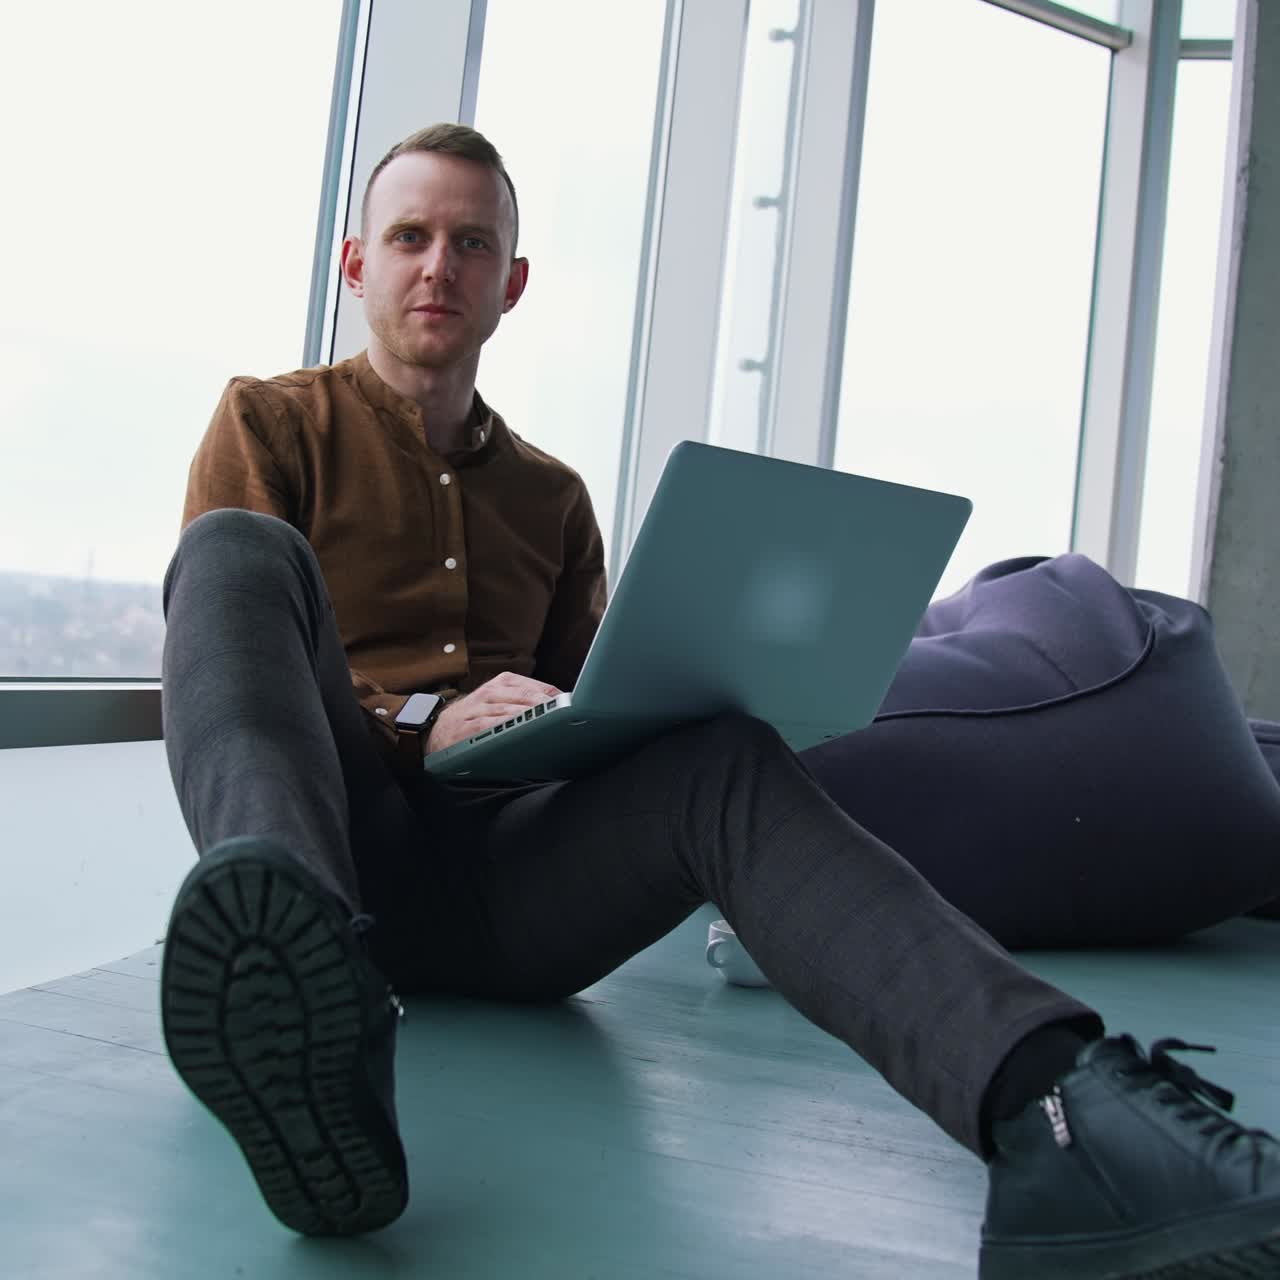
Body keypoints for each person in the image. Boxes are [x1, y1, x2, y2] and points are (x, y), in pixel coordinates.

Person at [158, 123, 1280, 1278]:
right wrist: (413, 719)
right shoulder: (270, 421)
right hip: (327, 847)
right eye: (409, 238)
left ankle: (1061, 1116)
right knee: (237, 553)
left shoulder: (551, 496)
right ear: (357, 265)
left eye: (470, 241)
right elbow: (226, 661)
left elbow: (586, 717)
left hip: (500, 886)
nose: (437, 265)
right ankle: (310, 1021)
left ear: (512, 281)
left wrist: (669, 703)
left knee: (724, 755)